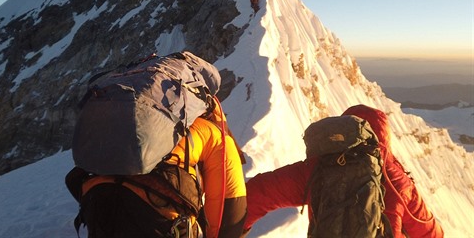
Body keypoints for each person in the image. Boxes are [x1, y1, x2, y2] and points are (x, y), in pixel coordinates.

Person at [243, 104, 444, 238]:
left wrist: (227, 229)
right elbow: (430, 232)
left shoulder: (317, 168)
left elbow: (260, 193)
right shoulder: (397, 181)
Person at [67, 96, 247, 238]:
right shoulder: (212, 133)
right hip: (154, 210)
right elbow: (229, 206)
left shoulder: (132, 118)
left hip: (97, 197)